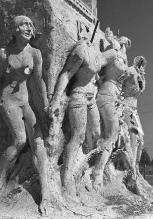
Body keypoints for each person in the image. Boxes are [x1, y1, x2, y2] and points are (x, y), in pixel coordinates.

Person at [0, 15, 49, 215]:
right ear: (15, 29)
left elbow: (38, 82)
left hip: (25, 101)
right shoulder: (5, 53)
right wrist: (2, 102)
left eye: (31, 25)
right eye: (24, 24)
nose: (29, 28)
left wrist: (47, 104)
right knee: (20, 139)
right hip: (9, 100)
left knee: (38, 141)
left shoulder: (35, 53)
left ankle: (46, 192)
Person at [50, 29, 121, 196]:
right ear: (81, 32)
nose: (90, 34)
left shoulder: (96, 51)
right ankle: (66, 176)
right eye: (86, 30)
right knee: (78, 136)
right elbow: (66, 74)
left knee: (96, 135)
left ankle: (81, 169)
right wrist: (56, 99)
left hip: (91, 98)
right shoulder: (80, 51)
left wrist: (113, 44)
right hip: (79, 95)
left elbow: (110, 58)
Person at [92, 28, 131, 191]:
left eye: (127, 44)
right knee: (113, 132)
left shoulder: (123, 59)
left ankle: (104, 166)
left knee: (118, 135)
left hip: (116, 97)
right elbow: (95, 64)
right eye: (123, 42)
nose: (125, 45)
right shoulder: (113, 54)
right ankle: (97, 170)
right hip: (106, 94)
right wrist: (94, 82)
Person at [122, 56, 147, 176]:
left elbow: (141, 90)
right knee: (132, 136)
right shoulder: (130, 70)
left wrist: (142, 77)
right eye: (142, 65)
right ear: (137, 63)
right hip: (125, 106)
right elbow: (119, 80)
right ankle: (129, 169)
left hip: (134, 110)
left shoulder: (139, 77)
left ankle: (135, 167)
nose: (143, 67)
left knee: (141, 140)